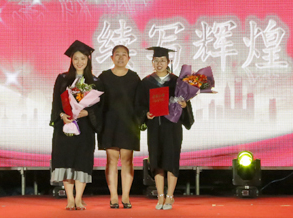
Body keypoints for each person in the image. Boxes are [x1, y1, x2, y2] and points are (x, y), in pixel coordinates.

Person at [136, 46, 194, 210]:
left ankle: (170, 196)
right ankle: (160, 196)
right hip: (155, 127)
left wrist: (184, 105)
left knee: (171, 160)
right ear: (152, 62)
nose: (159, 63)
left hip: (172, 127)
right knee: (157, 161)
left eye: (162, 60)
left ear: (168, 62)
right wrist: (146, 114)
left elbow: (186, 106)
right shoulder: (146, 82)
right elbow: (139, 106)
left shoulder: (177, 82)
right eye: (156, 61)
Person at [50, 40, 101, 211]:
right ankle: (70, 199)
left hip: (85, 128)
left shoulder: (94, 81)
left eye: (83, 59)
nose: (79, 62)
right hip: (65, 127)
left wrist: (86, 113)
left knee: (82, 161)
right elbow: (56, 102)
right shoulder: (63, 79)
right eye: (76, 58)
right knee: (66, 161)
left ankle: (79, 198)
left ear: (88, 60)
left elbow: (100, 107)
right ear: (71, 60)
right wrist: (62, 115)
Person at [98, 45, 141, 209]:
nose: (121, 58)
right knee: (111, 160)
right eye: (117, 55)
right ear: (112, 58)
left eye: (124, 55)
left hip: (129, 125)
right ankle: (114, 196)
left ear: (129, 58)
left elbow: (140, 101)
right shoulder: (104, 77)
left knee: (127, 160)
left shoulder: (134, 77)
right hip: (109, 124)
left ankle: (126, 196)